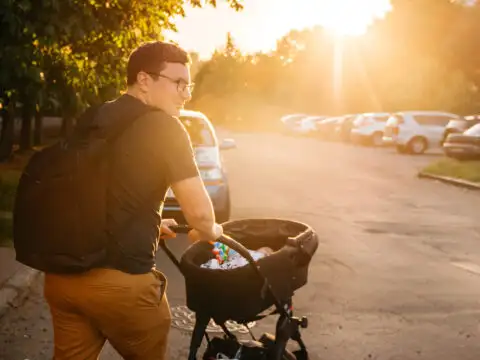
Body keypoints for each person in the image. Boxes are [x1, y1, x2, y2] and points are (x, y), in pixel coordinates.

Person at [43, 41, 223, 360]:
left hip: (62, 279)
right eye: (178, 83)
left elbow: (99, 193)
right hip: (121, 287)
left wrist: (152, 225)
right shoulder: (165, 127)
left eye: (188, 84)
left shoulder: (95, 117)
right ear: (144, 80)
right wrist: (213, 232)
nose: (186, 93)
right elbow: (201, 217)